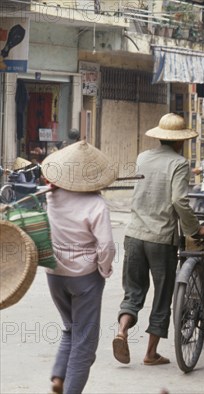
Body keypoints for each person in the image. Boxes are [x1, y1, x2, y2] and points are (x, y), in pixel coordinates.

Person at [114, 113, 204, 367]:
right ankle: (150, 354)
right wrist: (196, 230)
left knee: (134, 291)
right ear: (180, 141)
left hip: (135, 234)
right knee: (162, 296)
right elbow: (179, 201)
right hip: (161, 240)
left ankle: (122, 331)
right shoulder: (180, 163)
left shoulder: (143, 157)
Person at [40, 141, 117, 394]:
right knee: (84, 342)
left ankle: (58, 377)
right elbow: (106, 247)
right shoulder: (96, 205)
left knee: (70, 329)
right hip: (85, 277)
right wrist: (104, 270)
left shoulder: (51, 197)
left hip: (55, 274)